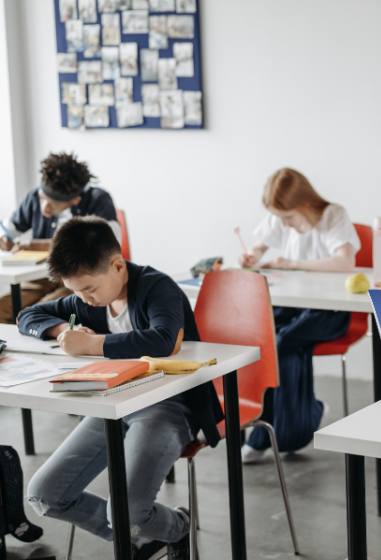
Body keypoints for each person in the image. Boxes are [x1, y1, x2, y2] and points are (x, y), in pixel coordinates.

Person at [18, 217, 223, 560]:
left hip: (169, 404)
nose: (84, 299)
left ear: (117, 266)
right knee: (44, 495)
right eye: (76, 293)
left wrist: (91, 345)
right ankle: (140, 538)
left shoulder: (158, 287)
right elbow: (29, 315)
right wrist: (60, 331)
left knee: (127, 510)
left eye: (89, 290)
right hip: (113, 405)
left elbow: (164, 340)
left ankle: (177, 528)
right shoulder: (89, 299)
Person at [239, 168, 360, 463]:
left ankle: (272, 433)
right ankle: (298, 418)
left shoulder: (333, 215)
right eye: (279, 217)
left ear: (305, 202)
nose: (283, 223)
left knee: (284, 341)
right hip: (293, 305)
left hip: (331, 311)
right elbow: (260, 244)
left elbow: (346, 261)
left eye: (288, 217)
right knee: (260, 338)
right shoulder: (281, 216)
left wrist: (292, 263)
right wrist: (253, 255)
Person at [0, 152, 120, 323]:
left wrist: (39, 245)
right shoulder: (34, 197)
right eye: (42, 198)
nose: (45, 207)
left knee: (36, 314)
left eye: (53, 204)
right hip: (43, 276)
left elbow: (110, 244)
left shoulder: (98, 199)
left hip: (79, 279)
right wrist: (4, 237)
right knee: (3, 307)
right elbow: (8, 227)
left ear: (75, 200)